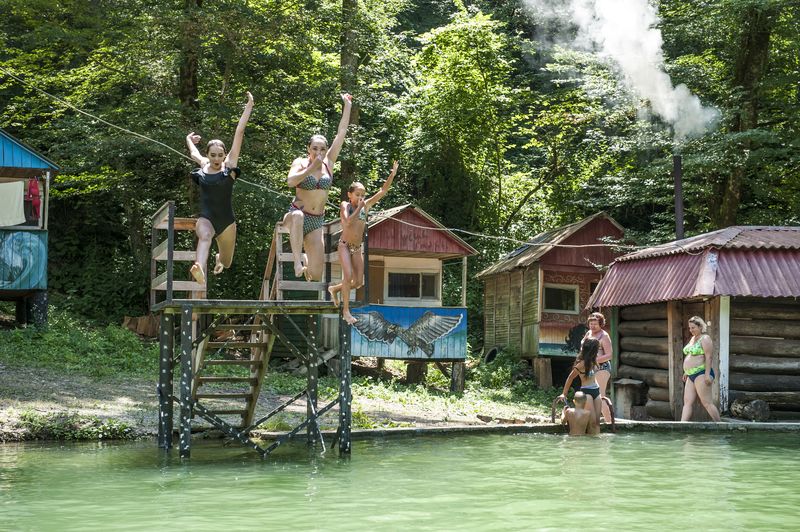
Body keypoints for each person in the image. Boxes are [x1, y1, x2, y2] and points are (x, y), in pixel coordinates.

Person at [185, 91, 254, 286]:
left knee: (227, 261)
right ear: (208, 154)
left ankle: (218, 260)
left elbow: (239, 132)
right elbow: (193, 152)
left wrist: (249, 105)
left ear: (225, 155)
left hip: (227, 222)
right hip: (206, 218)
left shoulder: (229, 165)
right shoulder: (203, 165)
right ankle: (199, 266)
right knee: (205, 236)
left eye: (220, 155)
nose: (216, 159)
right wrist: (189, 139)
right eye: (213, 155)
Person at [284, 93, 353, 281]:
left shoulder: (329, 163)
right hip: (296, 214)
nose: (319, 152)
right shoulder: (300, 162)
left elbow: (342, 133)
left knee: (316, 274)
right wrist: (310, 169)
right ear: (308, 148)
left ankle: (305, 262)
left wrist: (347, 106)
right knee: (298, 216)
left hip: (316, 220)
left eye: (322, 149)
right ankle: (298, 262)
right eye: (315, 148)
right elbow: (290, 181)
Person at [328, 161, 398, 324]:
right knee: (348, 276)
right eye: (357, 194)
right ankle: (346, 311)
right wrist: (359, 208)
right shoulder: (345, 205)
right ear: (349, 195)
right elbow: (347, 223)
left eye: (362, 195)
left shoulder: (365, 205)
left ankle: (334, 289)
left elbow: (383, 190)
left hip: (357, 248)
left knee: (359, 282)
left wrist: (392, 175)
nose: (360, 198)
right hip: (344, 245)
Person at [681, 316, 721, 422]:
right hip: (691, 374)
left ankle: (721, 425)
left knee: (706, 402)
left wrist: (707, 374)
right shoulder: (692, 339)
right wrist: (686, 371)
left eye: (693, 327)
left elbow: (709, 357)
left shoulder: (705, 338)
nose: (691, 330)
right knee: (687, 402)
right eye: (689, 328)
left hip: (701, 373)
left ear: (700, 327)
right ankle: (681, 426)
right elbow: (689, 354)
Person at [559, 338, 603, 429]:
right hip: (587, 392)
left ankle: (594, 441)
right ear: (592, 350)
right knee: (592, 422)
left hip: (596, 391)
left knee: (597, 423)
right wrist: (564, 393)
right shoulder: (581, 364)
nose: (598, 350)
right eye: (597, 349)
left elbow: (593, 376)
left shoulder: (594, 361)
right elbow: (570, 377)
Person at [583, 312, 613, 423]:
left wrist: (594, 360)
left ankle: (609, 423)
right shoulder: (588, 333)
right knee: (589, 395)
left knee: (600, 396)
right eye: (591, 323)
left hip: (602, 368)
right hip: (589, 368)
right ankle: (590, 422)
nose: (592, 326)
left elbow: (609, 355)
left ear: (601, 324)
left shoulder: (604, 336)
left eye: (595, 324)